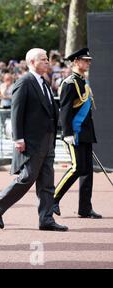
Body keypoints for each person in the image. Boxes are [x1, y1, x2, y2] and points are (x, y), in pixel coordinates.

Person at [0, 48, 68, 232]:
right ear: (32, 62)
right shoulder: (24, 82)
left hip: (48, 139)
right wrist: (18, 138)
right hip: (32, 141)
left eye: (47, 59)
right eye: (43, 59)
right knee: (27, 178)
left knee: (47, 182)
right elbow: (16, 111)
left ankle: (46, 219)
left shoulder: (44, 82)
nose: (48, 62)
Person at [52, 48, 102, 219]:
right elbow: (65, 110)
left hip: (86, 132)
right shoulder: (70, 83)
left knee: (87, 171)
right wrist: (67, 133)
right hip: (75, 132)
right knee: (77, 168)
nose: (88, 63)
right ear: (76, 61)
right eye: (85, 60)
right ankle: (52, 198)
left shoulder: (82, 81)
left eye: (89, 60)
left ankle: (85, 208)